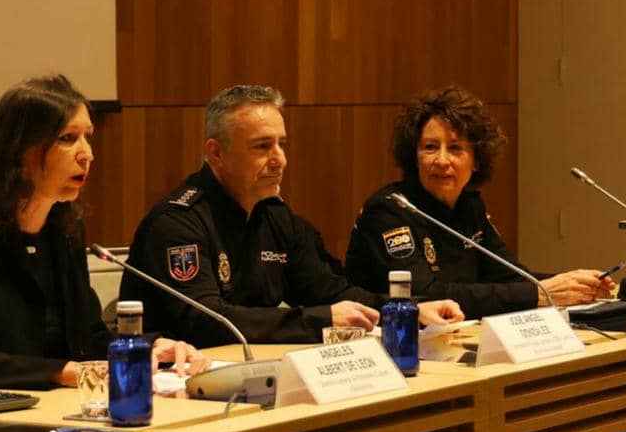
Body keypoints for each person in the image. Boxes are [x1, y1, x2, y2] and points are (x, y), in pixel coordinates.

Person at [0, 74, 205, 394]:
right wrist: (63, 372)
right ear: (20, 150)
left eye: (88, 137)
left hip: (42, 410)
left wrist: (146, 347)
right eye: (68, 138)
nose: (87, 154)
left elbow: (89, 338)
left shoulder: (64, 228)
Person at [121, 84, 463, 347]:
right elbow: (209, 322)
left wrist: (408, 310)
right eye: (262, 147)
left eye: (281, 144)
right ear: (216, 153)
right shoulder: (178, 223)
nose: (279, 159)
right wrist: (320, 320)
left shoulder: (275, 217)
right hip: (175, 380)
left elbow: (329, 291)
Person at [346, 86, 613, 315]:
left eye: (455, 148)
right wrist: (540, 294)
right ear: (414, 156)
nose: (441, 160)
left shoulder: (469, 205)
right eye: (430, 147)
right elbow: (426, 295)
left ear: (476, 161)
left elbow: (508, 276)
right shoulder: (390, 210)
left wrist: (571, 285)